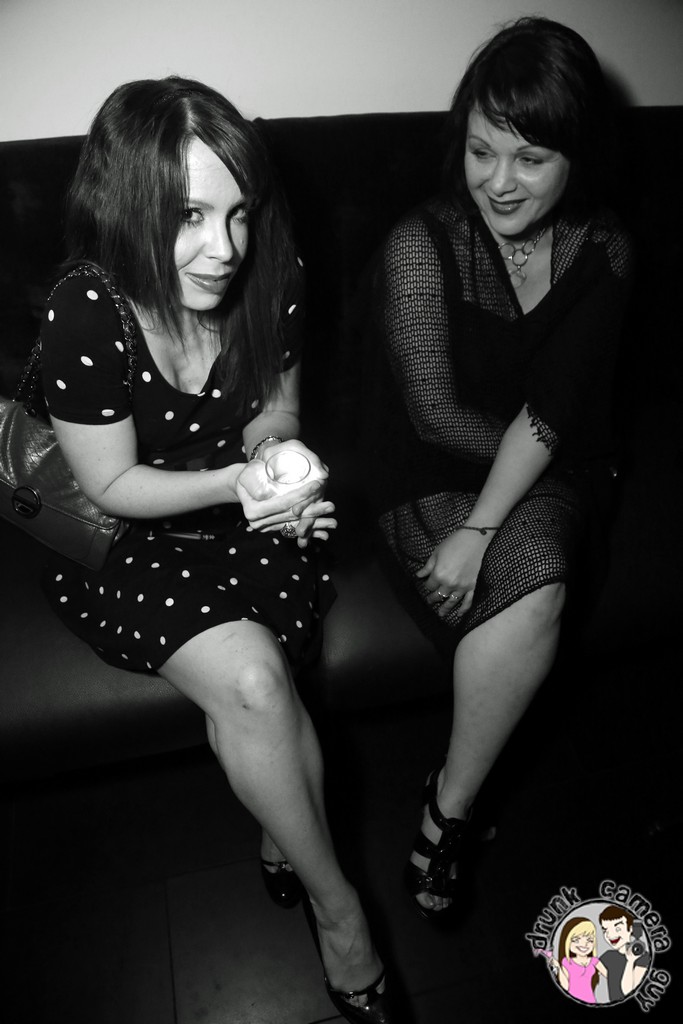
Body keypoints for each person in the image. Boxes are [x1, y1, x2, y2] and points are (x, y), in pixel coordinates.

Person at [38, 76, 394, 1023]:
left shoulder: (270, 273)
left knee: (268, 687)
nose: (224, 249)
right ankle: (340, 909)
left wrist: (282, 475)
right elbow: (110, 485)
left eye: (238, 213)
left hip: (238, 514)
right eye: (189, 216)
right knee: (256, 682)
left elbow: (276, 413)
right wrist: (236, 489)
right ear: (128, 206)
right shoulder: (86, 309)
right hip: (127, 537)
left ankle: (285, 834)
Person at [366, 17, 633, 920]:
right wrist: (547, 465)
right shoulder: (420, 242)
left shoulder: (602, 248)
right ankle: (458, 806)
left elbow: (557, 404)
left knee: (537, 572)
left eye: (531, 158)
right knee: (534, 574)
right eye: (482, 151)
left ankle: (448, 807)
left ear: (575, 158)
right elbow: (432, 413)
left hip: (545, 461)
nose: (498, 181)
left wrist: (489, 523)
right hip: (426, 466)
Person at [599, 906, 651, 1001]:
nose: (610, 935)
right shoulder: (608, 956)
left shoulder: (643, 957)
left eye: (618, 929)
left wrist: (630, 961)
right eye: (605, 930)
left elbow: (628, 992)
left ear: (630, 929)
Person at [551, 917, 607, 1004]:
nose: (584, 944)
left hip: (591, 1001)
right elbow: (565, 987)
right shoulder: (566, 962)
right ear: (567, 941)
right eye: (576, 940)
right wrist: (558, 967)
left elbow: (610, 976)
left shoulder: (594, 961)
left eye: (590, 940)